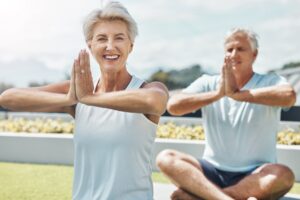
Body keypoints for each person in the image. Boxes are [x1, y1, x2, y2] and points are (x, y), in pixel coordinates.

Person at [0, 2, 168, 200]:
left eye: (119, 38)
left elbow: (156, 101)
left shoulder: (145, 89)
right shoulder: (78, 93)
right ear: (90, 45)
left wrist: (91, 98)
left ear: (131, 45)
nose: (110, 46)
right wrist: (70, 98)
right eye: (102, 38)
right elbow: (8, 98)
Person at [156, 28, 296, 200]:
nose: (234, 54)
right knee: (166, 158)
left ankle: (207, 197)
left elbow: (289, 96)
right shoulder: (208, 82)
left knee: (283, 175)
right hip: (211, 171)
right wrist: (218, 94)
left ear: (254, 54)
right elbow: (173, 106)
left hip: (256, 174)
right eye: (230, 49)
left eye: (241, 49)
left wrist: (238, 95)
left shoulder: (270, 81)